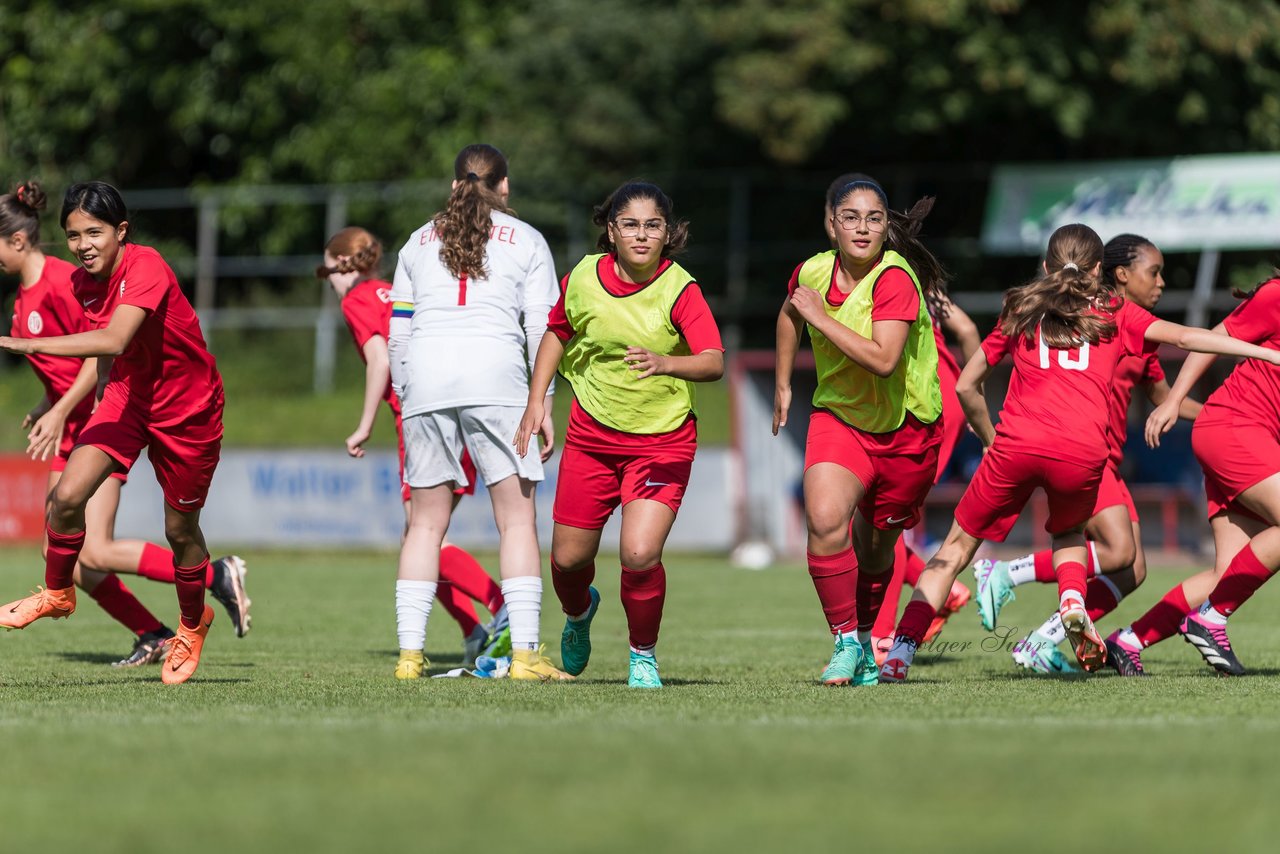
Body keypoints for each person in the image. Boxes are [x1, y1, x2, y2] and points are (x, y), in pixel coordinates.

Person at [877, 223, 1280, 683]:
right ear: (1098, 270)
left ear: (1047, 266)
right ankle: (1071, 604)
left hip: (1016, 444)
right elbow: (1188, 338)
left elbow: (968, 384)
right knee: (1070, 537)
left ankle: (899, 655)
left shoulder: (1020, 307)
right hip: (1083, 453)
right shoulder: (1116, 312)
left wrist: (990, 436)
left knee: (953, 550)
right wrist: (1264, 354)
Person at [0, 181, 250, 667]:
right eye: (73, 236)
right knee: (67, 498)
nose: (83, 246)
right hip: (127, 400)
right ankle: (57, 594)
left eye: (94, 233)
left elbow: (113, 340)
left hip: (188, 412)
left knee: (180, 532)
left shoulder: (147, 265)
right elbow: (111, 359)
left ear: (121, 231)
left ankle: (191, 626)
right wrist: (91, 409)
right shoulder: (80, 282)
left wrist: (25, 347)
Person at [515, 181, 724, 689]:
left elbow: (714, 360)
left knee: (639, 553)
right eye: (630, 224)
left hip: (662, 441)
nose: (641, 235)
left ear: (667, 233)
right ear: (611, 231)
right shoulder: (584, 278)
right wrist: (536, 402)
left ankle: (643, 655)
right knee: (567, 560)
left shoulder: (680, 289)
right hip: (591, 437)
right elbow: (557, 333)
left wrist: (666, 363)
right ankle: (580, 611)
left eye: (653, 226)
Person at [970, 234, 1201, 674]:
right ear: (1118, 274)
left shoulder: (1135, 329)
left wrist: (1218, 413)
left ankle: (1040, 636)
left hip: (1103, 462)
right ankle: (1009, 578)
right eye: (1153, 272)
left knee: (1133, 569)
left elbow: (1165, 397)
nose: (1161, 283)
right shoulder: (1077, 317)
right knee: (1118, 553)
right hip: (1081, 458)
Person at [388, 143, 566, 681]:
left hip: (425, 381)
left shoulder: (416, 241)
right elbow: (542, 328)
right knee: (515, 520)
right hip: (499, 382)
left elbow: (398, 330)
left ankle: (409, 658)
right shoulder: (529, 240)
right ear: (504, 186)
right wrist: (546, 401)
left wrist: (406, 392)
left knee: (424, 526)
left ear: (453, 186)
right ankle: (525, 657)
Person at [775, 177, 950, 686]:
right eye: (850, 216)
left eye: (874, 218)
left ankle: (869, 641)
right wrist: (785, 382)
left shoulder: (896, 278)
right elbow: (791, 314)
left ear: (884, 226)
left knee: (876, 551)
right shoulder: (812, 270)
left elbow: (883, 358)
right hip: (841, 419)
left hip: (908, 432)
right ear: (831, 222)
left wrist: (818, 317)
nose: (862, 227)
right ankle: (847, 643)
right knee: (826, 520)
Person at [317, 226, 508, 666]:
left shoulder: (356, 300)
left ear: (343, 266)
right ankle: (474, 630)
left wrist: (363, 424)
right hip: (457, 406)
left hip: (422, 416)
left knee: (422, 540)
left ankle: (503, 608)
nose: (327, 280)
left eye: (327, 270)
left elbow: (380, 359)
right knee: (419, 541)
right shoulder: (391, 289)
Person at [818, 173, 975, 663]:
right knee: (878, 521)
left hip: (923, 405)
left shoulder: (903, 281)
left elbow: (967, 331)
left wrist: (971, 393)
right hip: (929, 402)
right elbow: (968, 333)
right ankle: (922, 602)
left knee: (881, 519)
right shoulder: (876, 276)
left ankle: (881, 633)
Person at [1108, 266, 1280, 676]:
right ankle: (1211, 618)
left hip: (1245, 435)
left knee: (1227, 571)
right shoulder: (1277, 295)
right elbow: (1213, 340)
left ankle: (1129, 640)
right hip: (1234, 428)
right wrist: (1172, 401)